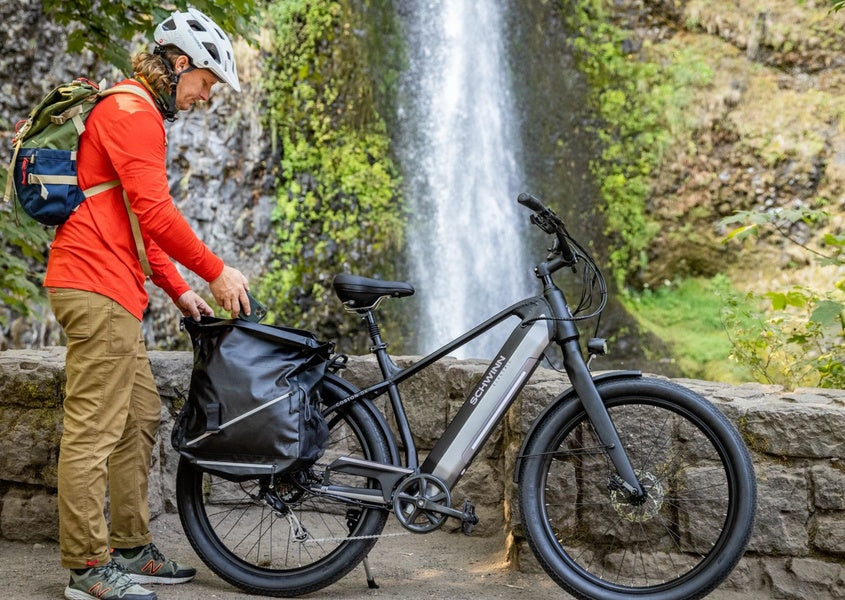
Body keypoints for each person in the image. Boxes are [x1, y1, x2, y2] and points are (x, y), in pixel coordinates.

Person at [46, 8, 250, 600]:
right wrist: (215, 272)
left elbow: (137, 222)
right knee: (94, 429)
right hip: (94, 284)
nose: (204, 97)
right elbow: (157, 213)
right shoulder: (131, 111)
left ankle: (131, 547)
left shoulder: (132, 112)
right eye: (205, 83)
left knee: (139, 417)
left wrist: (179, 289)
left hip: (115, 286)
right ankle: (87, 569)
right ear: (179, 62)